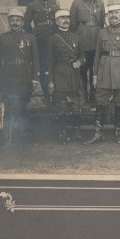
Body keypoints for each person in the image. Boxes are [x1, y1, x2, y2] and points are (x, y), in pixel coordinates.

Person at [84, 4, 120, 144]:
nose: (113, 15)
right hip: (104, 69)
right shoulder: (102, 32)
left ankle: (117, 132)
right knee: (100, 100)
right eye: (111, 13)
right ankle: (98, 132)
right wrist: (95, 75)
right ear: (107, 15)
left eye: (116, 12)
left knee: (119, 101)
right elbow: (97, 55)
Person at [0, 8, 40, 147]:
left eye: (18, 20)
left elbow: (35, 60)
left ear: (22, 22)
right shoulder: (2, 38)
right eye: (12, 20)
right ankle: (7, 138)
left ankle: (23, 137)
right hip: (7, 77)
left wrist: (35, 78)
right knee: (8, 108)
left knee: (22, 108)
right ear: (9, 22)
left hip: (23, 77)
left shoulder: (30, 38)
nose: (15, 22)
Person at [46, 9, 85, 144]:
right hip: (60, 74)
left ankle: (77, 133)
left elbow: (83, 55)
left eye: (67, 17)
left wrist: (79, 62)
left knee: (76, 105)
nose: (65, 20)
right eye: (62, 18)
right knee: (61, 106)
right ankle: (62, 133)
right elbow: (50, 62)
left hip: (74, 75)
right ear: (57, 21)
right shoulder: (52, 39)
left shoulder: (76, 37)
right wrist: (51, 81)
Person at [69, 0, 105, 104]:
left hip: (96, 39)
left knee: (95, 69)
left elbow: (101, 23)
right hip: (82, 39)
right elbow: (72, 25)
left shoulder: (100, 2)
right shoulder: (77, 3)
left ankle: (94, 97)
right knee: (83, 70)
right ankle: (83, 96)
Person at [23, 0, 59, 104]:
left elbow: (58, 21)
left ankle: (55, 95)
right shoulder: (32, 5)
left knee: (55, 66)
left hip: (54, 40)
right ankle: (46, 95)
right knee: (44, 68)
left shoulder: (54, 3)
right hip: (40, 42)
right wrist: (34, 36)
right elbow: (26, 25)